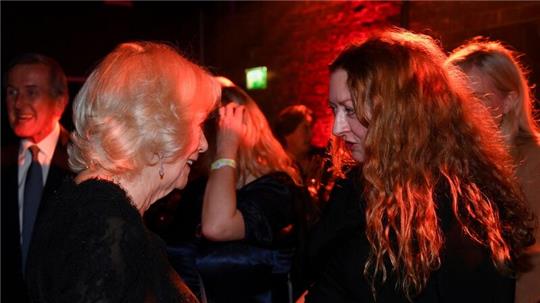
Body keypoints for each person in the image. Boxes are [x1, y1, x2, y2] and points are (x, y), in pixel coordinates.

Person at [299, 28, 535, 303]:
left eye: (350, 110)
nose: (337, 128)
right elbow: (327, 279)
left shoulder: (461, 204)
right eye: (334, 110)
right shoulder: (357, 188)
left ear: (400, 112)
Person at [25, 41, 220, 303]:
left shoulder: (93, 209)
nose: (204, 144)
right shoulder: (106, 225)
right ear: (158, 130)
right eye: (198, 124)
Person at [195, 77, 310, 303]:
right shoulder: (200, 187)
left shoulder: (277, 187)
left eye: (229, 120)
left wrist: (227, 148)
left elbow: (217, 226)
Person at [447, 38, 540, 303]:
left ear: (510, 100)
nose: (462, 110)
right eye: (455, 99)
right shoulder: (451, 161)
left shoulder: (535, 159)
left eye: (475, 98)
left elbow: (529, 253)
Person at [1, 53, 71, 303]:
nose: (18, 104)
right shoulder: (3, 161)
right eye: (11, 92)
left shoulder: (83, 164)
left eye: (31, 92)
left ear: (60, 102)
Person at [274, 105, 335, 206]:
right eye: (305, 128)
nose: (311, 134)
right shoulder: (278, 169)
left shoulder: (324, 159)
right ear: (287, 132)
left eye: (311, 127)